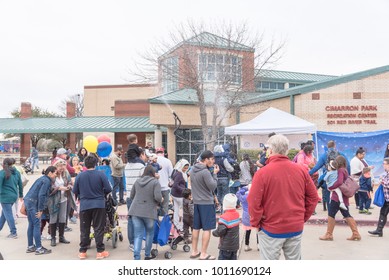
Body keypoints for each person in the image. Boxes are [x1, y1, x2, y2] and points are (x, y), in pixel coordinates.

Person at [248, 134, 318, 260]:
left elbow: (253, 203)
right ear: (286, 150)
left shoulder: (262, 173)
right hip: (294, 227)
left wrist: (256, 223)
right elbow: (313, 197)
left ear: (270, 151)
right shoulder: (300, 171)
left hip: (270, 228)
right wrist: (301, 217)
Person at [72, 155, 112, 259]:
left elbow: (75, 191)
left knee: (84, 228)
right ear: (95, 164)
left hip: (85, 205)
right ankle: (100, 251)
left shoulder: (80, 176)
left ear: (85, 164)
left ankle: (83, 251)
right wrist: (101, 194)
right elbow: (108, 188)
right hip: (99, 204)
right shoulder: (101, 174)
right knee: (98, 227)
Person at [319, 155, 361, 241]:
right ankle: (355, 233)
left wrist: (331, 187)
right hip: (343, 197)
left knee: (331, 214)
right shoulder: (345, 170)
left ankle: (329, 234)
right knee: (346, 214)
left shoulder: (341, 170)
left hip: (337, 197)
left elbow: (339, 182)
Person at [188, 150, 219, 260]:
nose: (213, 161)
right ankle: (204, 253)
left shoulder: (192, 170)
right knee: (207, 229)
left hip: (197, 202)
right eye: (211, 159)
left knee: (196, 228)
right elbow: (212, 186)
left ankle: (194, 251)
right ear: (205, 159)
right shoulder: (205, 172)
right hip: (206, 202)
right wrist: (215, 174)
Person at [129, 165, 162, 260]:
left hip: (135, 210)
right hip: (149, 211)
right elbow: (158, 197)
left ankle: (137, 257)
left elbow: (131, 196)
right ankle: (147, 254)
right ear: (153, 173)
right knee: (149, 233)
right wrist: (161, 199)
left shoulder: (137, 181)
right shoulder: (155, 182)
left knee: (138, 235)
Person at [24, 166, 57, 255]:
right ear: (50, 173)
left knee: (31, 224)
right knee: (36, 225)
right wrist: (40, 209)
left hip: (28, 201)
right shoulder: (47, 181)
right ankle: (39, 248)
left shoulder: (42, 178)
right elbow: (41, 195)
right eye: (55, 173)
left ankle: (31, 246)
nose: (55, 175)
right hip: (33, 203)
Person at [124, 149, 147, 251]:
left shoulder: (127, 166)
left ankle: (132, 243)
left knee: (131, 219)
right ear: (140, 155)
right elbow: (145, 181)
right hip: (139, 196)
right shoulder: (141, 167)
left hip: (129, 195)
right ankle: (140, 242)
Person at [48, 159, 72, 246]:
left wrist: (69, 186)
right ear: (56, 166)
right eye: (60, 167)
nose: (62, 168)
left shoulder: (66, 173)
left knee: (63, 217)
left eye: (63, 166)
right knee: (53, 217)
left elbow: (70, 182)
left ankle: (61, 237)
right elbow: (49, 187)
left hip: (64, 198)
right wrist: (59, 188)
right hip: (54, 199)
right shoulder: (52, 175)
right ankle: (53, 237)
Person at [212, 193, 240, 260]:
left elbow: (221, 231)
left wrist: (214, 233)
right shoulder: (237, 214)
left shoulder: (224, 217)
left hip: (225, 246)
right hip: (235, 246)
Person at [0, 158, 23, 238]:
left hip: (5, 196)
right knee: (4, 214)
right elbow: (20, 184)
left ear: (3, 164)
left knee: (8, 214)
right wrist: (21, 195)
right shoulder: (17, 172)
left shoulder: (2, 173)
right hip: (14, 196)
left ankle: (13, 232)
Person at [368, 157, 389, 237]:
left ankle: (379, 230)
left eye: (384, 164)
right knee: (383, 213)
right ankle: (379, 230)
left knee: (383, 213)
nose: (383, 165)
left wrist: (382, 181)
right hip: (387, 198)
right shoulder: (387, 173)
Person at [213, 144, 235, 212]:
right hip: (225, 178)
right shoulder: (223, 158)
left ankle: (219, 208)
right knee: (225, 194)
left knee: (219, 194)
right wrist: (232, 169)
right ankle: (224, 210)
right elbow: (229, 169)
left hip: (216, 178)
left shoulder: (213, 159)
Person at [236, 184, 257, 252]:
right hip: (254, 214)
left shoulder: (244, 197)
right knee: (258, 231)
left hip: (246, 216)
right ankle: (259, 245)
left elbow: (238, 193)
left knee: (248, 231)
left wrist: (245, 188)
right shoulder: (255, 197)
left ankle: (246, 245)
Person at [170, 159, 190, 232]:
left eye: (187, 168)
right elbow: (176, 185)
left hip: (175, 194)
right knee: (182, 211)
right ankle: (181, 226)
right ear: (181, 166)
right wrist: (184, 190)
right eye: (184, 168)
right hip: (179, 195)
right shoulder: (180, 174)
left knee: (176, 210)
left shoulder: (178, 172)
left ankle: (177, 225)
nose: (185, 169)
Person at [156, 147, 173, 216]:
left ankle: (155, 224)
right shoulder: (167, 161)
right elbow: (171, 174)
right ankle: (163, 223)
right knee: (165, 207)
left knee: (155, 207)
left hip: (155, 188)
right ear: (163, 153)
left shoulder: (152, 161)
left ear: (156, 153)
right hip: (165, 187)